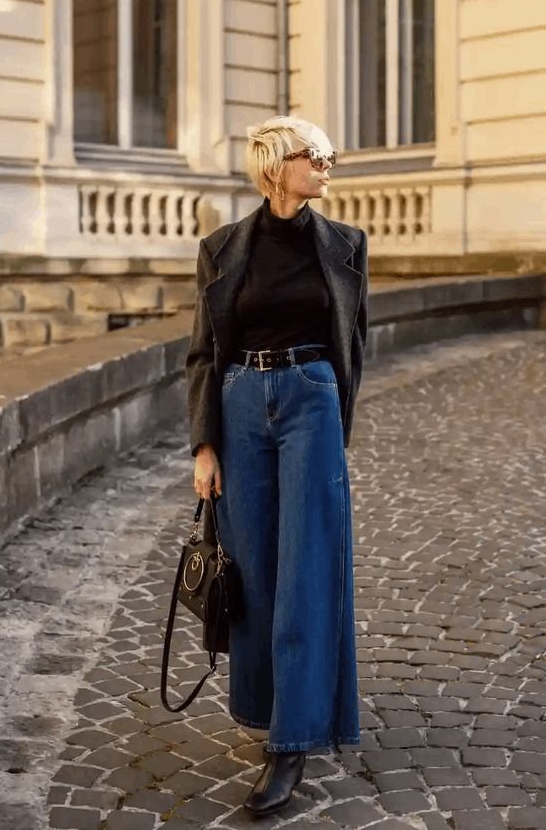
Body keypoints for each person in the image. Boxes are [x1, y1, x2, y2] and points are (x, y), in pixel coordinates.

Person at [185, 115, 368, 816]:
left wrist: (331, 424)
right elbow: (203, 351)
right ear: (275, 168)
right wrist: (205, 445)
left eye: (328, 154)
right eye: (314, 155)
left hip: (311, 399)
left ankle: (291, 740)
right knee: (254, 564)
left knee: (309, 566)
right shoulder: (221, 248)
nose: (328, 164)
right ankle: (262, 705)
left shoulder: (347, 245)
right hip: (238, 407)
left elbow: (355, 340)